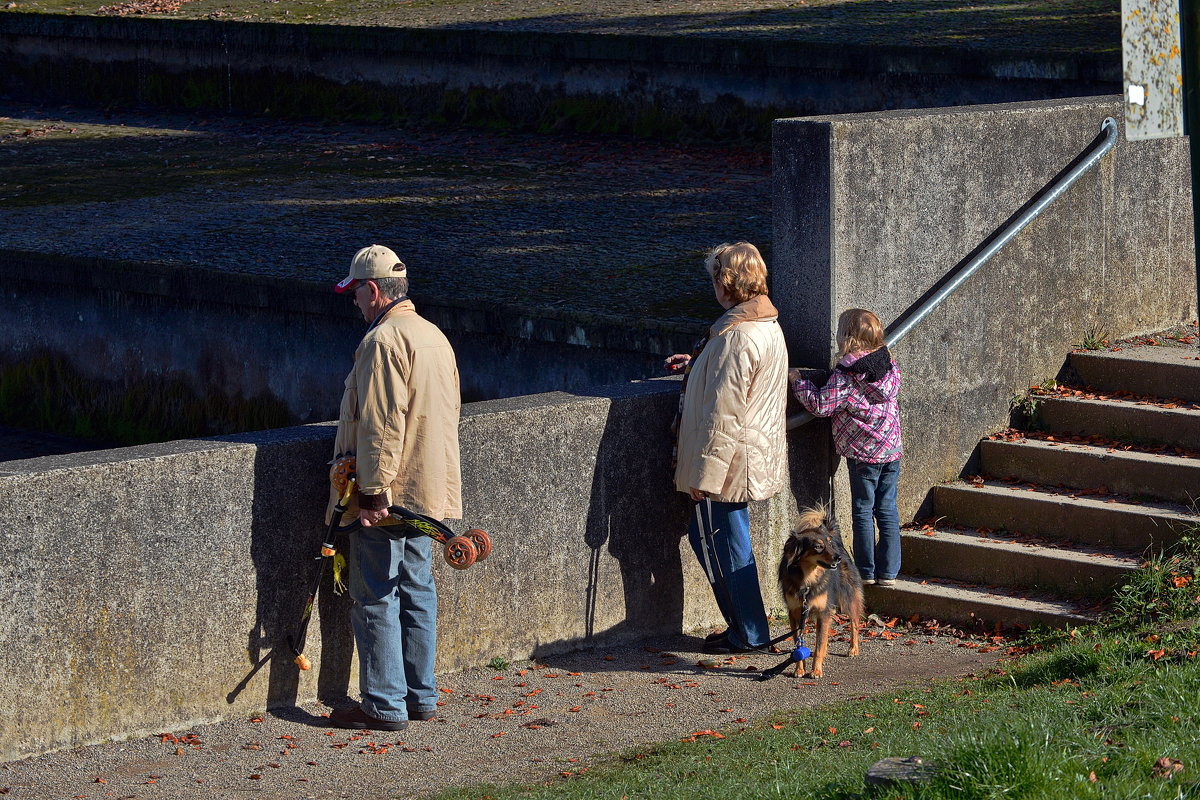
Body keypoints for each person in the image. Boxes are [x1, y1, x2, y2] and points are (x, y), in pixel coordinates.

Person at [326, 244, 462, 731]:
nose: (354, 302)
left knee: (377, 596)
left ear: (374, 289)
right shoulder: (433, 336)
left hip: (389, 496)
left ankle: (384, 704)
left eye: (356, 292)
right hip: (427, 493)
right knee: (417, 589)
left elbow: (380, 425)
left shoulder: (382, 341)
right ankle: (420, 697)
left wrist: (372, 492)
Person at [664, 242, 788, 655]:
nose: (713, 285)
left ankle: (748, 632)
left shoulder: (738, 336)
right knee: (724, 542)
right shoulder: (764, 324)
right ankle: (746, 628)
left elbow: (723, 414)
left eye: (715, 277)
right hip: (748, 455)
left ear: (726, 281)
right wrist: (697, 363)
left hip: (731, 462)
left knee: (724, 545)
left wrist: (704, 475)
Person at [789, 309, 902, 586]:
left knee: (863, 510)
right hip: (891, 449)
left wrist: (798, 381)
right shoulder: (888, 366)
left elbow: (821, 405)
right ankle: (889, 572)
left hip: (863, 454)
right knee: (887, 509)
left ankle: (865, 571)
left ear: (845, 338)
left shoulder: (847, 376)